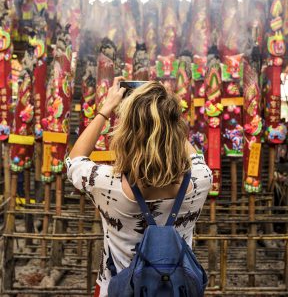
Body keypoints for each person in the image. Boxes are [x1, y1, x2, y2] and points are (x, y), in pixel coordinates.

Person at [66, 77, 212, 297]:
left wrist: (106, 109)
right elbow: (192, 154)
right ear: (175, 129)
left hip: (117, 289)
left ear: (126, 134)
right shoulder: (201, 179)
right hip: (176, 289)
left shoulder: (107, 184)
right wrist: (165, 114)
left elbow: (74, 160)